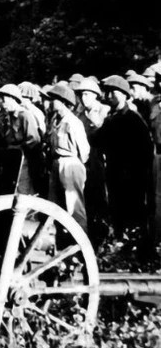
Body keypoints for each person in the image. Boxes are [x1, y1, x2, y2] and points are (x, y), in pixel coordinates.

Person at [92, 75, 155, 253]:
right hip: (114, 172)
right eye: (108, 91)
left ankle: (139, 249)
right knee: (117, 211)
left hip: (132, 176)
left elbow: (146, 150)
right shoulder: (112, 118)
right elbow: (97, 139)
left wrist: (135, 174)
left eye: (114, 92)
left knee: (134, 213)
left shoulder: (133, 119)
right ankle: (122, 247)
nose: (109, 95)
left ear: (124, 94)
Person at [46, 84, 90, 231]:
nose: (51, 102)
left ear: (64, 102)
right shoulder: (55, 121)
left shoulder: (73, 122)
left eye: (54, 99)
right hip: (56, 162)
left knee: (74, 205)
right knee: (56, 205)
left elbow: (84, 150)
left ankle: (80, 243)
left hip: (70, 163)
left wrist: (77, 166)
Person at [74, 78, 110, 242]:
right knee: (87, 195)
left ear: (95, 95)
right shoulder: (79, 114)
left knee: (102, 194)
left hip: (101, 157)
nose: (84, 98)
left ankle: (104, 230)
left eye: (87, 94)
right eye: (81, 95)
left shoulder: (104, 110)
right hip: (84, 158)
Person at [0, 84, 43, 195]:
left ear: (12, 99)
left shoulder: (25, 116)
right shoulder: (7, 117)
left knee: (23, 190)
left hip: (24, 160)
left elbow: (34, 140)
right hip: (12, 159)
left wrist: (17, 148)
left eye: (3, 100)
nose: (1, 103)